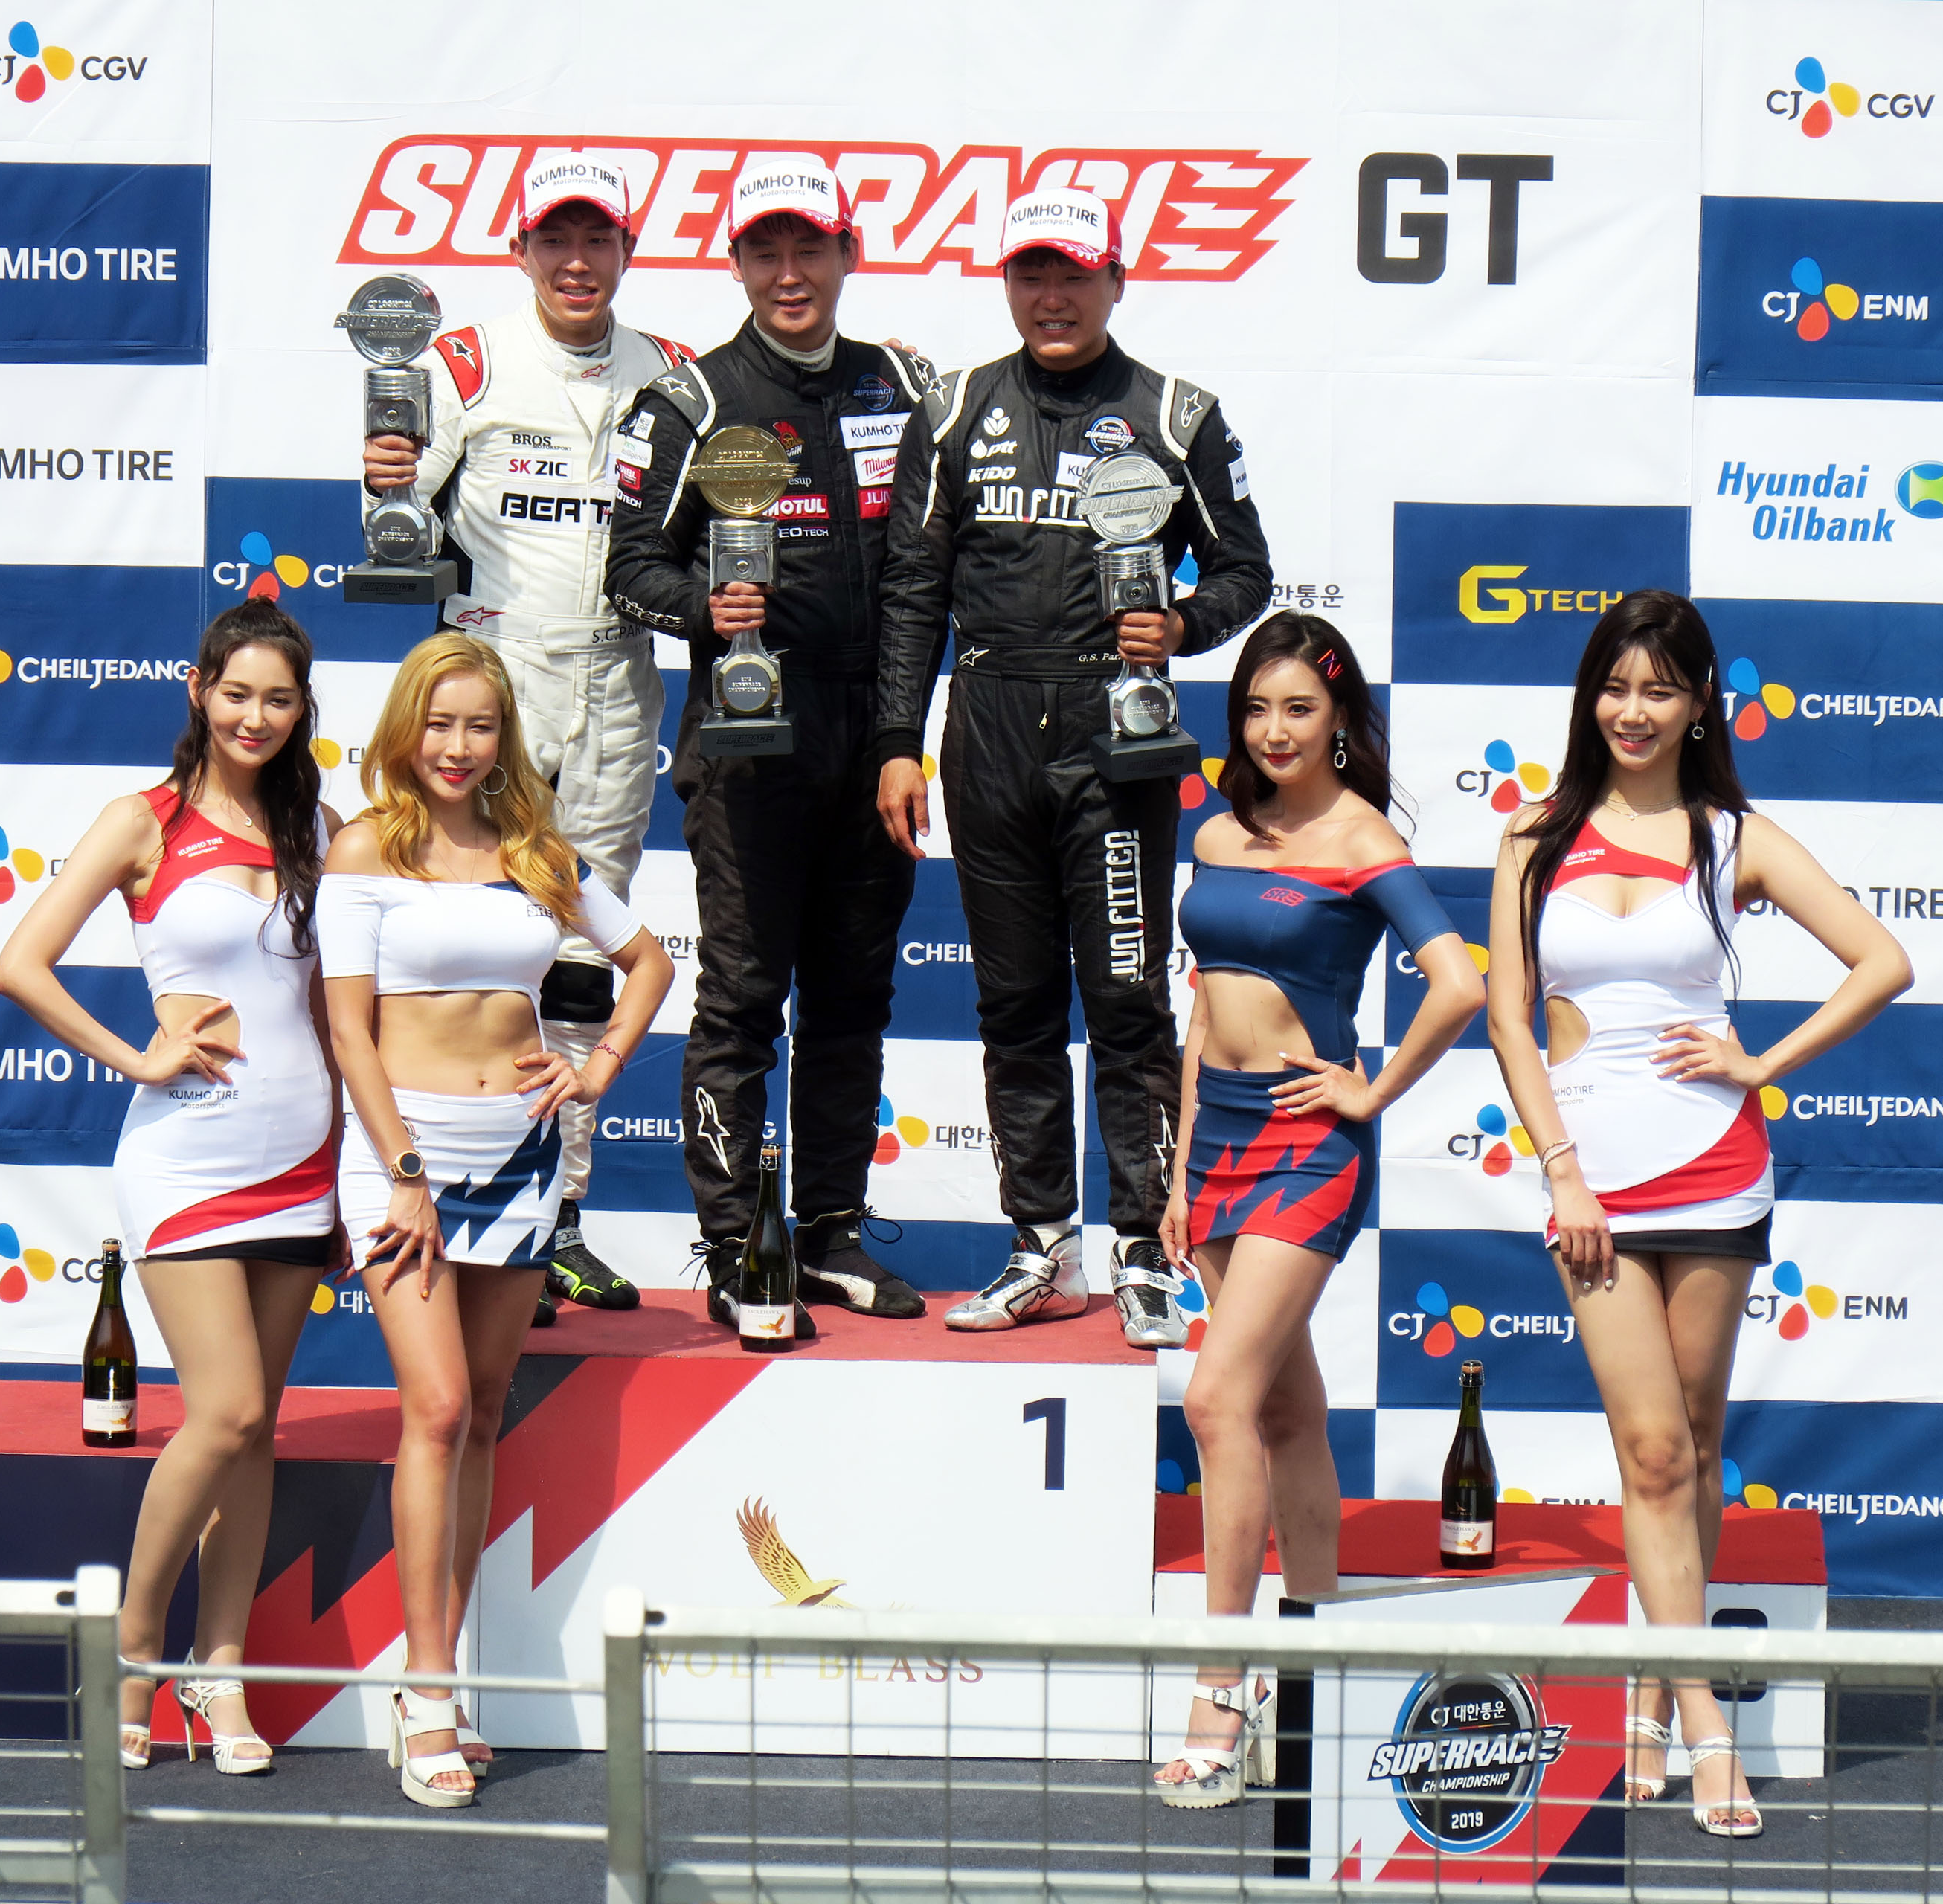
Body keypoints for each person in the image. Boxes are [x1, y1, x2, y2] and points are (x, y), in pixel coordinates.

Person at [1484, 590, 1909, 1839]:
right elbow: (1508, 1017)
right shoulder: (1534, 835)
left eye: (1660, 690)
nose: (1634, 711)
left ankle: (1655, 1696)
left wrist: (1763, 1064)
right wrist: (1562, 1171)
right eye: (1616, 687)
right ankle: (1705, 1720)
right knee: (1654, 1452)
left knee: (1698, 1438)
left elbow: (1884, 961)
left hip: (1719, 1170)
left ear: (1700, 703)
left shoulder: (1735, 838)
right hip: (1592, 1183)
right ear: (1589, 697)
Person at [873, 188, 1272, 1348]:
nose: (1052, 297)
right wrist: (898, 741)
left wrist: (1183, 626)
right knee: (1014, 1006)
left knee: (1127, 1001)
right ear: (1008, 285)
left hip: (1117, 738)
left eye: (1074, 274)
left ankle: (1145, 1250)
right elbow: (913, 594)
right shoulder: (954, 409)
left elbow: (1245, 570)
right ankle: (1040, 1244)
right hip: (989, 727)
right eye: (1032, 275)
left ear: (1116, 282)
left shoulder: (1177, 414)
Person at [318, 631, 672, 1809]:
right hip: (402, 1160)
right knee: (436, 1407)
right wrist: (405, 1169)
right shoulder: (365, 849)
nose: (458, 746)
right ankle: (423, 1687)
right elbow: (348, 1031)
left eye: (479, 725)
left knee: (478, 1416)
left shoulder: (538, 852)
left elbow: (649, 963)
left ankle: (448, 1676)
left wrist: (596, 1067)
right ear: (405, 729)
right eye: (439, 723)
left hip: (521, 1157)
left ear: (504, 734)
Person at [0, 598, 341, 1777]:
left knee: (257, 1435)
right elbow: (20, 965)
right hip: (187, 1162)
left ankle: (221, 1671)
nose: (257, 717)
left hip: (304, 1163)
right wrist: (136, 1057)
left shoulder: (322, 829)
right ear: (200, 691)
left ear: (302, 710)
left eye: (279, 699)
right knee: (227, 1411)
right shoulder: (141, 820)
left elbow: (340, 1013)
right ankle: (135, 1653)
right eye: (237, 693)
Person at [1149, 613, 1484, 1807]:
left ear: (1340, 719)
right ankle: (1320, 1666)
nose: (1274, 730)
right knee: (1287, 1410)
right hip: (1220, 1143)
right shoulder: (1216, 830)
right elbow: (1206, 1007)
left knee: (1215, 1400)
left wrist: (1372, 1089)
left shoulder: (1362, 838)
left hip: (1306, 1147)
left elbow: (1460, 982)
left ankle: (1221, 1691)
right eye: (1256, 707)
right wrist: (1181, 1170)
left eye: (1299, 708)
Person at [362, 153, 693, 1323]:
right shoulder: (463, 360)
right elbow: (395, 520)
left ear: (627, 250)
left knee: (582, 955)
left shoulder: (675, 370)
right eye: (556, 238)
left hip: (617, 679)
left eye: (597, 238)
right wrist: (385, 476)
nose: (576, 260)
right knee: (461, 943)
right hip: (490, 682)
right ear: (521, 249)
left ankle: (559, 1218)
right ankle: (439, 1191)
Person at [606, 158, 931, 1331]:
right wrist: (707, 608)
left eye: (810, 249)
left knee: (853, 1001)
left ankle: (831, 1231)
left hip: (869, 741)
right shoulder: (691, 401)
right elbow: (629, 567)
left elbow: (920, 580)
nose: (790, 274)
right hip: (748, 741)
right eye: (766, 252)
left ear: (849, 253)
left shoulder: (903, 386)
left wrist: (901, 737)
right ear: (736, 263)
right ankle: (739, 1244)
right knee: (744, 1001)